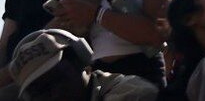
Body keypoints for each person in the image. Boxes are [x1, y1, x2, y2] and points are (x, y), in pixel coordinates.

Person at [7, 30, 156, 101]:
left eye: (57, 79)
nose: (53, 95)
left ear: (81, 62)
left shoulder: (132, 93)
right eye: (40, 92)